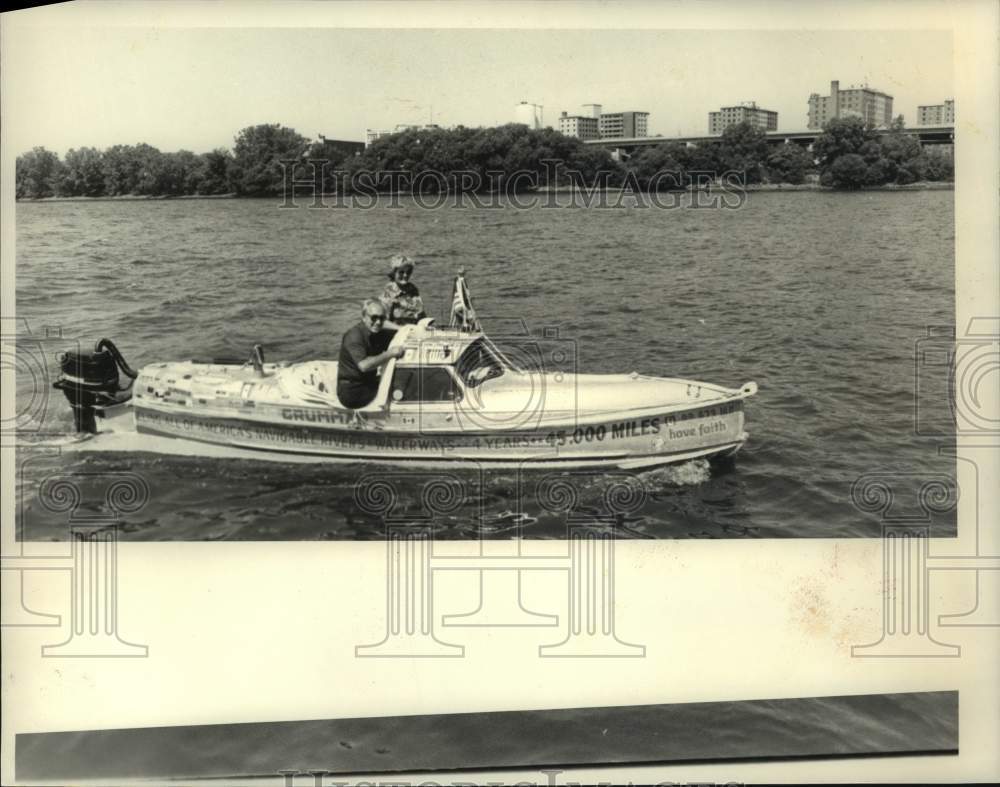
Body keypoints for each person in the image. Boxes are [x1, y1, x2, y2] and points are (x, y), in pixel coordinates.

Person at [337, 300, 405, 409]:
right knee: (403, 389)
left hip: (367, 382)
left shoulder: (375, 332)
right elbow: (364, 366)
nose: (378, 322)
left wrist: (403, 329)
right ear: (364, 317)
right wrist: (391, 353)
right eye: (374, 318)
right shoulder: (354, 336)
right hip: (353, 391)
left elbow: (393, 331)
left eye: (382, 318)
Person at [380, 254, 427, 329]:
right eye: (401, 272)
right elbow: (382, 322)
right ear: (394, 273)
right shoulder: (389, 292)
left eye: (408, 272)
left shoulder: (413, 289)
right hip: (396, 333)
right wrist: (401, 329)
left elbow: (421, 314)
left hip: (414, 330)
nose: (405, 275)